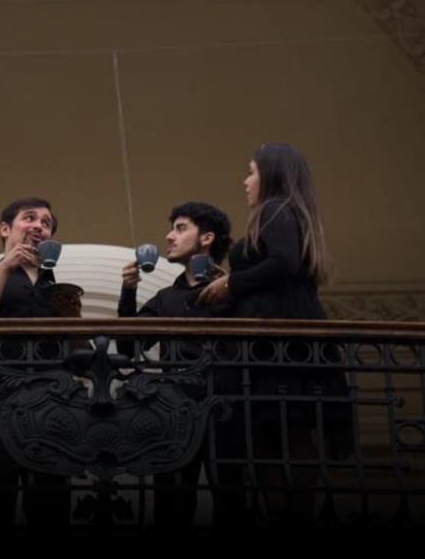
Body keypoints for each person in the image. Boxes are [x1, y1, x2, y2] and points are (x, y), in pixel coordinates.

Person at [198, 142, 350, 524]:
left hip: (278, 341)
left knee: (286, 427)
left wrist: (232, 284)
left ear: (271, 175)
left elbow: (282, 264)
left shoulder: (274, 208)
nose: (245, 180)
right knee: (271, 430)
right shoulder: (287, 212)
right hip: (277, 338)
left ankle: (293, 518)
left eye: (251, 171)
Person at [118, 201, 239, 527]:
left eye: (181, 228)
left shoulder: (235, 291)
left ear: (207, 238)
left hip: (226, 409)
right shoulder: (166, 298)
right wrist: (128, 293)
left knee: (233, 501)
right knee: (170, 507)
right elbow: (129, 346)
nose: (169, 237)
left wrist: (231, 286)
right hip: (174, 412)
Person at [0, 197, 71, 531]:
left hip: (54, 399)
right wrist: (6, 265)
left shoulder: (57, 287)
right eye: (29, 218)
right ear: (6, 229)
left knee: (52, 495)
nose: (39, 226)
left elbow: (72, 346)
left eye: (46, 223)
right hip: (0, 395)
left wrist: (72, 317)